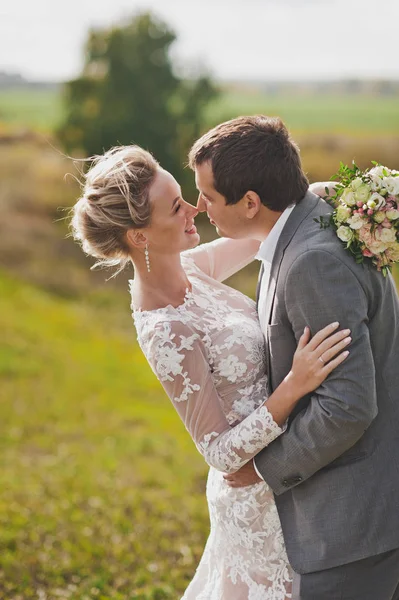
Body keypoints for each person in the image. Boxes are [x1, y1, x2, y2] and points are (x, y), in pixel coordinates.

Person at [71, 145, 350, 599]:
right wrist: (295, 386)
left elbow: (261, 232)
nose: (195, 208)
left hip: (287, 475)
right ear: (140, 237)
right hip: (255, 503)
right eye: (176, 207)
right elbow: (219, 454)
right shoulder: (166, 329)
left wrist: (320, 194)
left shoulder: (191, 267)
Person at [188, 115, 399, 600]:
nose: (200, 207)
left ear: (250, 202)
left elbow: (347, 405)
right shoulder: (306, 222)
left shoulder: (312, 261)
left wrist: (262, 469)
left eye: (208, 196)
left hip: (351, 524)